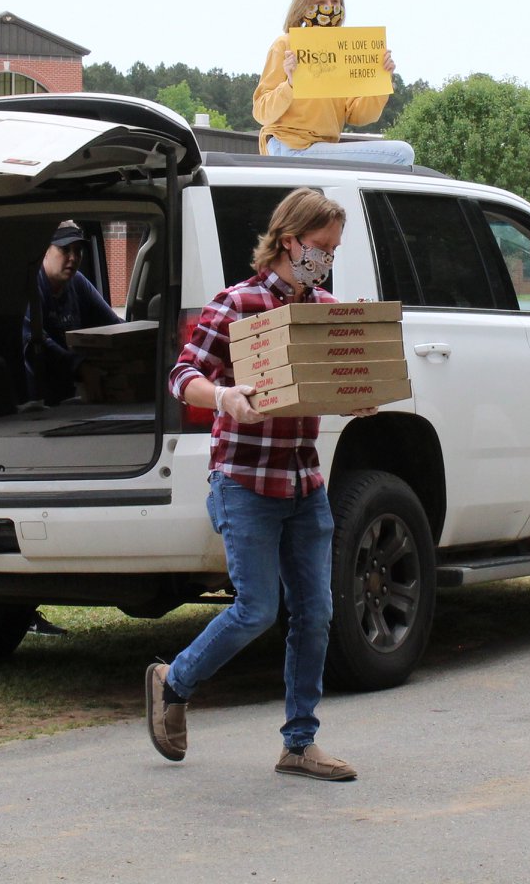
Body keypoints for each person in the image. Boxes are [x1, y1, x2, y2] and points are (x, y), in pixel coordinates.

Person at [146, 187, 368, 781]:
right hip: (244, 480)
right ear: (290, 241)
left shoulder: (322, 307)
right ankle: (175, 680)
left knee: (315, 615)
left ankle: (300, 742)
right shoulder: (237, 303)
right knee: (256, 609)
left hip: (303, 481)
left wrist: (357, 397)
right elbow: (181, 374)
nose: (326, 260)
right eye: (321, 247)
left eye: (333, 250)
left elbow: (331, 380)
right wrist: (222, 396)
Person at [252, 0, 416, 167]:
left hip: (323, 147)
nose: (329, 7)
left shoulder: (342, 51)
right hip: (290, 147)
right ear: (303, 5)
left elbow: (358, 116)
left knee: (400, 154)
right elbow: (261, 112)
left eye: (335, 1)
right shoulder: (285, 45)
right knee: (401, 154)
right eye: (320, 1)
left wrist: (380, 81)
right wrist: (290, 84)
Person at [23, 219, 120, 405]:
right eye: (65, 249)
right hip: (39, 399)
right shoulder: (33, 287)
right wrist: (81, 367)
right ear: (44, 251)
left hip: (73, 394)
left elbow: (113, 325)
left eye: (78, 251)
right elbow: (35, 340)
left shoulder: (78, 282)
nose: (73, 258)